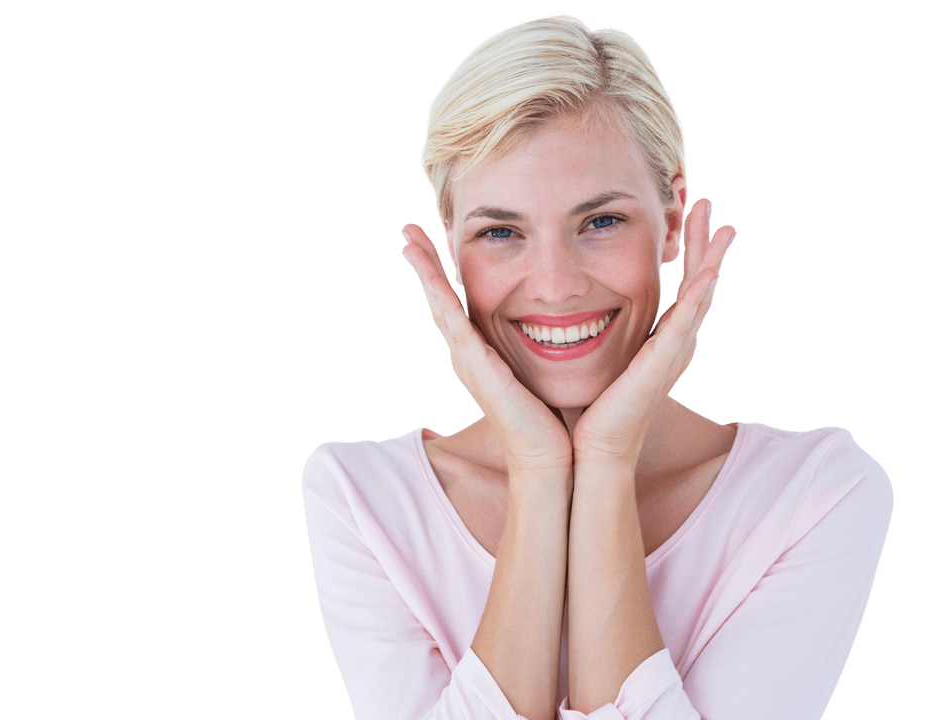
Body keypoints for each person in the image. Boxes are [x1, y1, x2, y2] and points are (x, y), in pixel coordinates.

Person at [301, 13, 893, 720]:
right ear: (452, 249)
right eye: (500, 232)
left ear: (673, 219)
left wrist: (607, 461)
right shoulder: (362, 501)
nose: (554, 285)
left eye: (601, 221)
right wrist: (540, 471)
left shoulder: (815, 495)